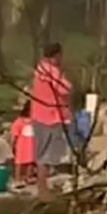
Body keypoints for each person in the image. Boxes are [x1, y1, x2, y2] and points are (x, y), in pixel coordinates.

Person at [22, 43, 75, 190]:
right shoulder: (51, 71)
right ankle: (44, 189)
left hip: (38, 116)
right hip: (51, 118)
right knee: (49, 155)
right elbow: (65, 89)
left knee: (41, 155)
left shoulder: (40, 70)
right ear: (57, 55)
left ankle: (42, 188)